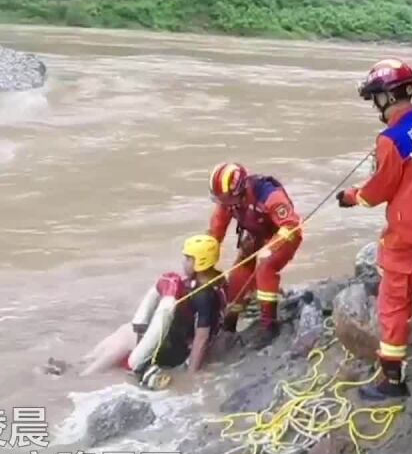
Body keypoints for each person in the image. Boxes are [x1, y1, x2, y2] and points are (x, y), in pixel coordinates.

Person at [337, 59, 412, 401]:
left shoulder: (391, 139)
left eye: (375, 97)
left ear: (386, 97)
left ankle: (392, 378)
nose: (375, 104)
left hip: (409, 230)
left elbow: (378, 191)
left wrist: (353, 196)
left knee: (392, 301)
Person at [79, 235, 227, 388]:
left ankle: (85, 375)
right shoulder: (216, 281)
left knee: (127, 339)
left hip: (179, 351)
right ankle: (83, 363)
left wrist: (191, 373)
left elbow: (201, 338)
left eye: (188, 259)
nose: (184, 263)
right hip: (178, 338)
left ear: (201, 262)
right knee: (126, 330)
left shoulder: (204, 296)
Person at [207, 161, 302, 350]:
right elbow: (215, 232)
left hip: (284, 235)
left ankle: (269, 324)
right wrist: (204, 259)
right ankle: (229, 322)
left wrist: (272, 247)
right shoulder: (227, 203)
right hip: (256, 235)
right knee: (238, 276)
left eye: (224, 199)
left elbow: (291, 224)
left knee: (265, 267)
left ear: (239, 192)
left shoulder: (268, 194)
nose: (222, 204)